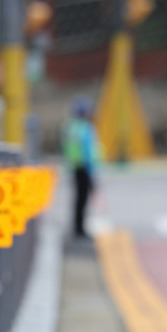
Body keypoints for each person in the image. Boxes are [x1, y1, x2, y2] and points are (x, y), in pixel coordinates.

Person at [61, 96, 101, 239]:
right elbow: (89, 151)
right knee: (83, 200)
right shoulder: (86, 128)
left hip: (74, 167)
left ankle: (77, 227)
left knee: (78, 199)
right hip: (85, 168)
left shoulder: (69, 127)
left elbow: (65, 149)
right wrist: (92, 171)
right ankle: (80, 229)